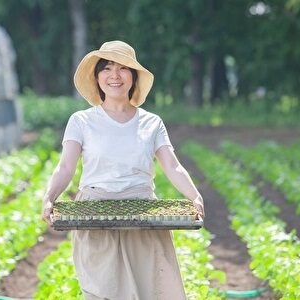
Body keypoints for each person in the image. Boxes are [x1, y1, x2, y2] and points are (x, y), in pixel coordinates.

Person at [42, 40, 204, 300]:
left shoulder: (151, 122)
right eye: (106, 68)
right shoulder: (82, 121)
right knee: (102, 291)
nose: (114, 75)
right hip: (94, 213)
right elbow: (65, 167)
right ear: (97, 77)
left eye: (123, 68)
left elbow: (172, 166)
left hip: (143, 214)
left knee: (148, 290)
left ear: (134, 77)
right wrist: (49, 198)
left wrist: (195, 196)